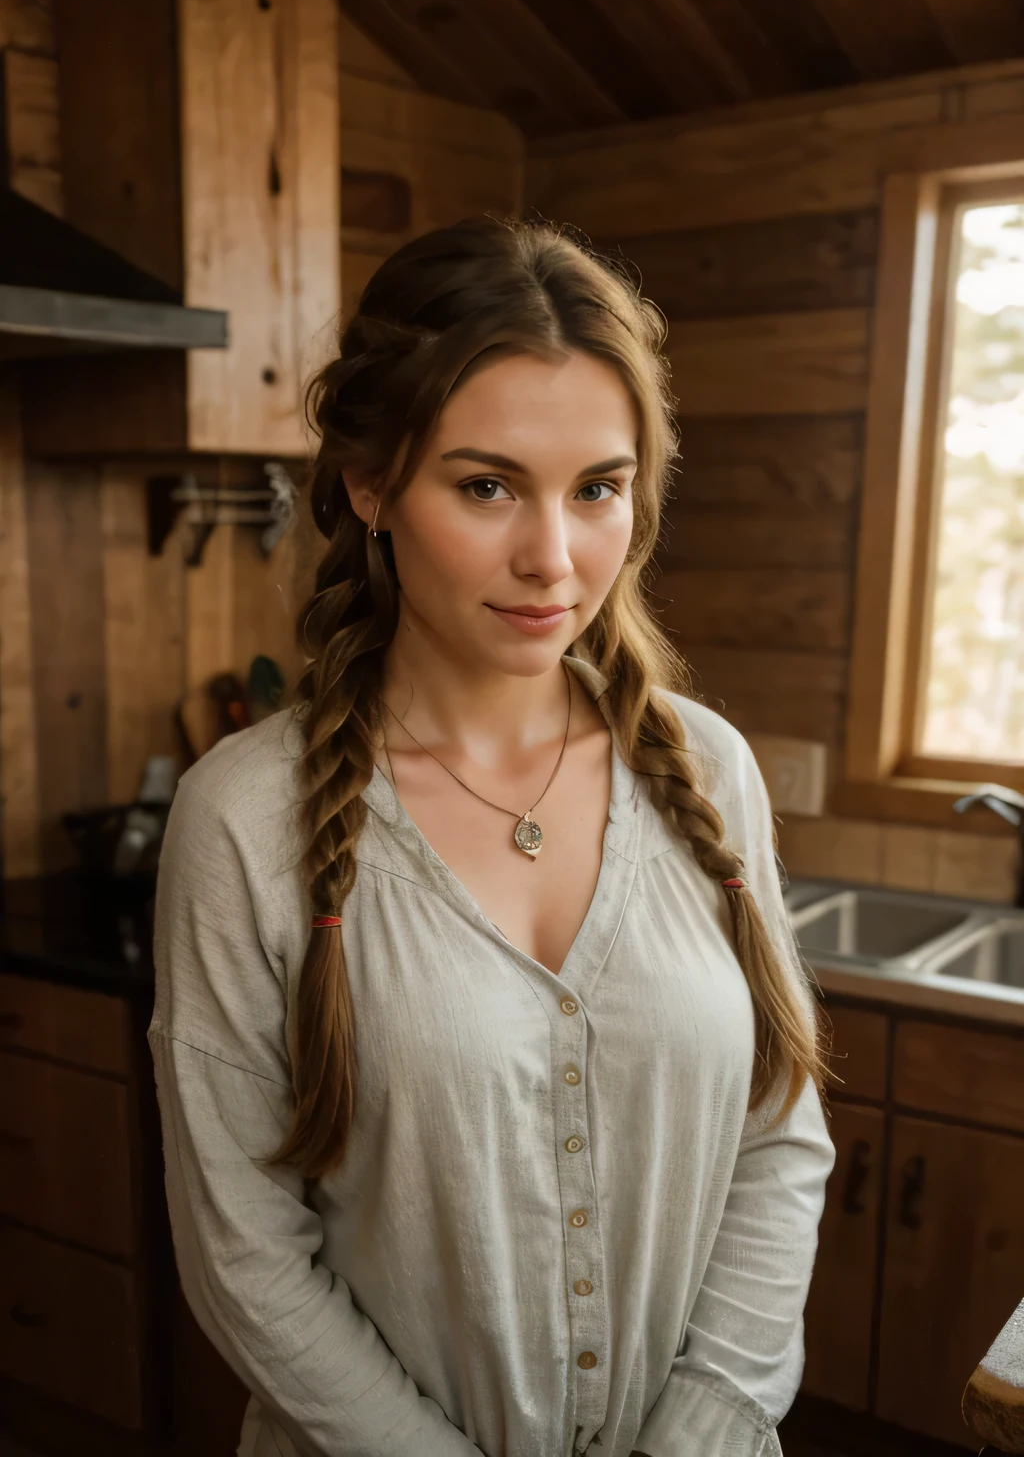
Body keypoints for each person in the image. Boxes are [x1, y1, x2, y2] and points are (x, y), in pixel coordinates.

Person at [147, 216, 836, 1457]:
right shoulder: (242, 820)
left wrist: (707, 1428)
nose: (552, 557)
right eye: (485, 485)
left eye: (598, 490)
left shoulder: (711, 773)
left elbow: (776, 1139)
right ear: (370, 485)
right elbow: (245, 1255)